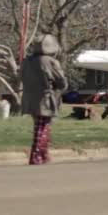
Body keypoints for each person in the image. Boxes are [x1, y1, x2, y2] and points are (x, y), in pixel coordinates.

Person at [20, 34, 68, 165]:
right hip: (45, 99)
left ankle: (43, 155)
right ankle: (37, 156)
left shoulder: (27, 61)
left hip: (29, 98)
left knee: (39, 126)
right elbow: (62, 82)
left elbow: (21, 77)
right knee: (42, 127)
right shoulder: (50, 61)